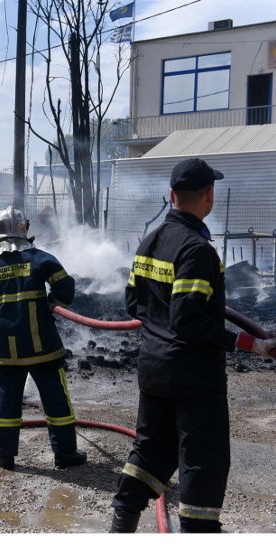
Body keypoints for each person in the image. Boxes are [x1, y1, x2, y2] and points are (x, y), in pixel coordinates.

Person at [109, 158, 276, 533]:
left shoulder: (149, 241)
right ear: (209, 197)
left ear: (171, 196)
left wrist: (161, 323)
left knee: (151, 451)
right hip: (193, 378)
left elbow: (133, 304)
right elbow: (189, 320)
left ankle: (121, 523)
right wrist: (248, 344)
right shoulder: (198, 251)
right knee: (204, 460)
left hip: (153, 370)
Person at [0, 205, 87, 471]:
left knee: (6, 403)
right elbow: (67, 287)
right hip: (42, 348)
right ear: (25, 229)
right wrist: (54, 300)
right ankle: (65, 454)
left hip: (5, 348)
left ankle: (4, 455)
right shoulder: (40, 259)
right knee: (55, 401)